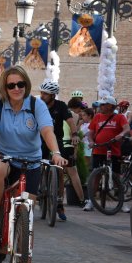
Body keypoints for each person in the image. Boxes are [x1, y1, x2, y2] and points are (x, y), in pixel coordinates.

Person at [0, 66, 67, 263]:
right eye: (11, 85)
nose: (16, 88)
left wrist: (56, 152)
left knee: (26, 218)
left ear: (26, 85)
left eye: (20, 84)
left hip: (31, 161)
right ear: (4, 87)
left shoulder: (36, 105)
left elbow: (47, 130)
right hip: (3, 156)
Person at [39, 81, 83, 220]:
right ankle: (39, 188)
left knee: (59, 168)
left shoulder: (61, 106)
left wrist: (75, 134)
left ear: (52, 95)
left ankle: (58, 202)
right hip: (38, 141)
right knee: (35, 166)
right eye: (42, 92)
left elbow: (70, 121)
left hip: (54, 140)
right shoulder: (38, 105)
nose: (42, 95)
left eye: (45, 94)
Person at [87, 95, 131, 212]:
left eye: (103, 104)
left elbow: (126, 129)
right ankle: (91, 201)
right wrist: (91, 142)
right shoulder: (97, 117)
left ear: (110, 106)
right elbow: (90, 132)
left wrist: (121, 135)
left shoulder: (120, 117)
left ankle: (121, 201)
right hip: (98, 149)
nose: (100, 106)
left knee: (116, 175)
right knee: (96, 175)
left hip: (114, 150)